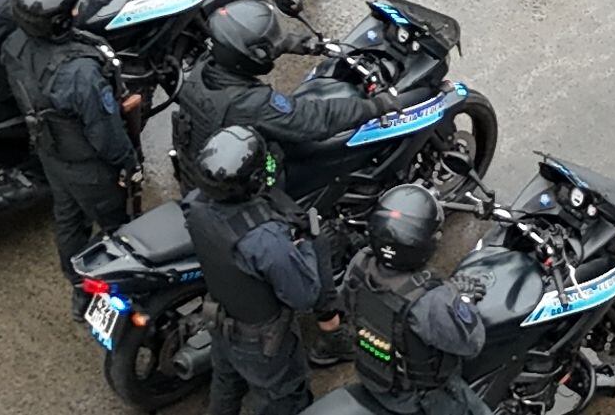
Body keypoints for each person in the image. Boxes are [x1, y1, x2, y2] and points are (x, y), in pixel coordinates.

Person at [1, 0, 144, 282]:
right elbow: (105, 133)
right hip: (90, 167)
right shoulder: (80, 73)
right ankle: (115, 288)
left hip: (51, 151)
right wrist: (129, 165)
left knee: (68, 217)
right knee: (120, 229)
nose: (78, 10)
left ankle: (77, 284)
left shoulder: (15, 44)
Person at [182, 123, 327, 415]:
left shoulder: (194, 205)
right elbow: (305, 296)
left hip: (220, 321)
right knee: (283, 398)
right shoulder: (265, 241)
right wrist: (306, 242)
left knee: (225, 384)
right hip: (261, 343)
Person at [334, 184, 490, 415]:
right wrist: (464, 298)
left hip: (373, 375)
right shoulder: (430, 300)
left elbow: (346, 302)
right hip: (416, 399)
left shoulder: (360, 264)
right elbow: (472, 343)